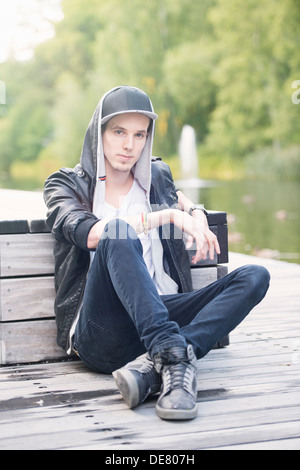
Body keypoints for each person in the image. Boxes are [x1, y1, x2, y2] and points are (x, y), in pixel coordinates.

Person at [44, 85, 270, 420]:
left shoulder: (156, 176)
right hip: (103, 332)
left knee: (255, 276)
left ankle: (156, 366)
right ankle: (174, 356)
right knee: (117, 232)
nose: (129, 145)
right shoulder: (65, 185)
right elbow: (90, 233)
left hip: (158, 316)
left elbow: (178, 195)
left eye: (139, 134)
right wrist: (166, 217)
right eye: (119, 132)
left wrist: (194, 212)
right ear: (98, 133)